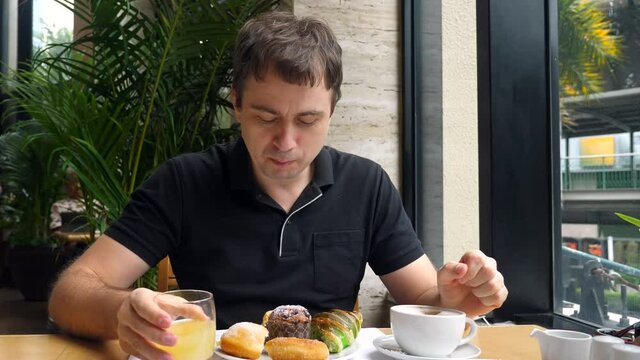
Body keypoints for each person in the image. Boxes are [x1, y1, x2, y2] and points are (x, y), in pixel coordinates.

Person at [49, 11, 508, 360]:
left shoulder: (365, 185)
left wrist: (452, 300)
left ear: (332, 112)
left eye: (307, 120)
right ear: (237, 105)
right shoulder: (185, 182)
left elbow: (423, 298)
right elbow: (71, 293)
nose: (286, 142)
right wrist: (123, 310)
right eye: (266, 117)